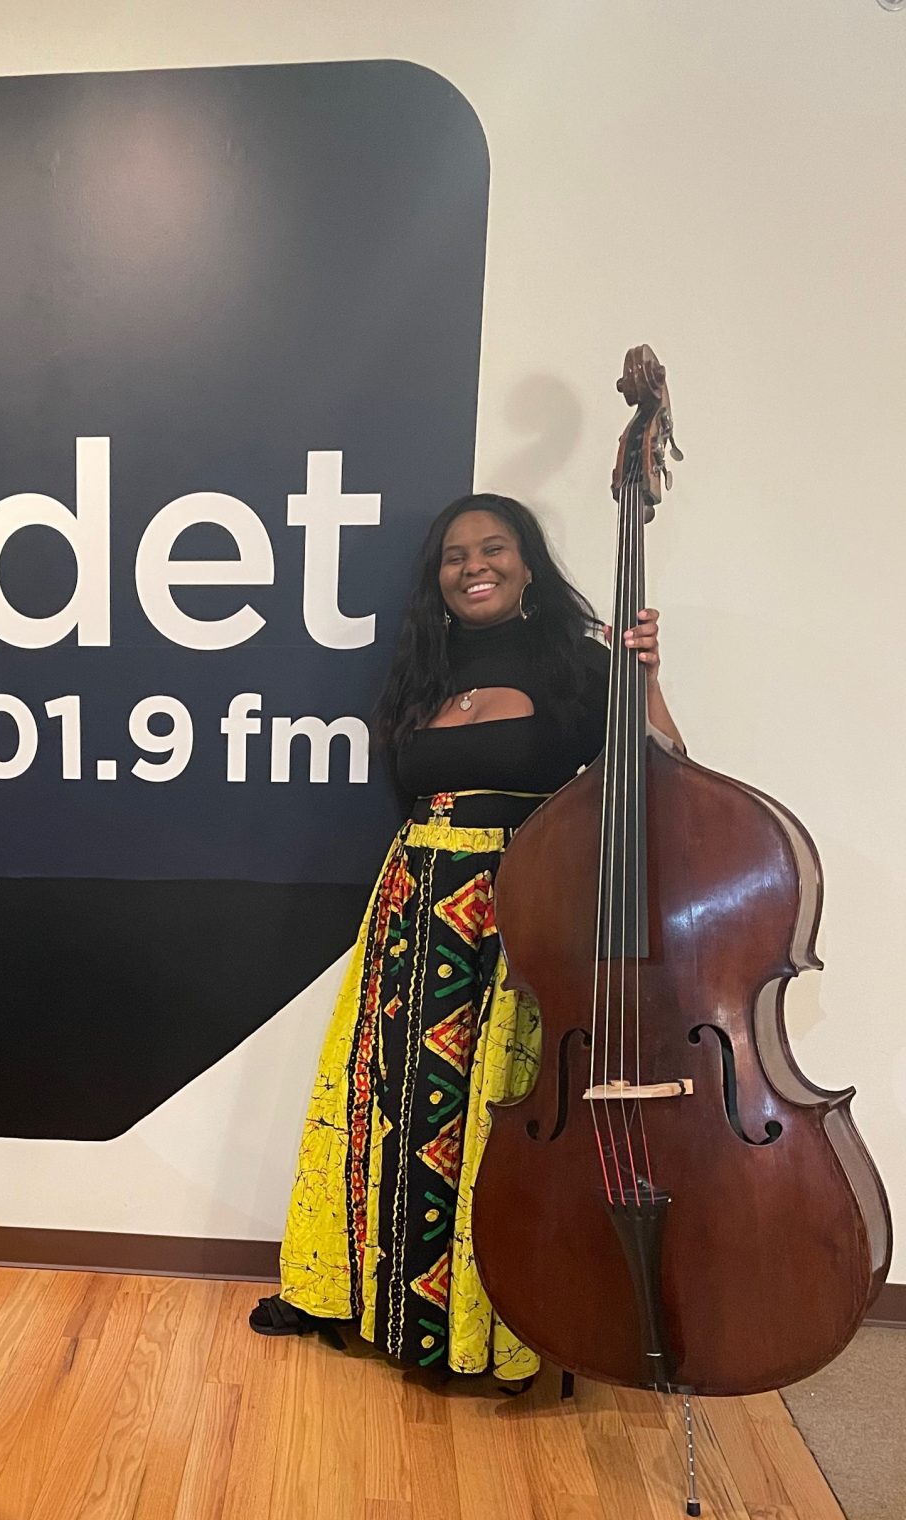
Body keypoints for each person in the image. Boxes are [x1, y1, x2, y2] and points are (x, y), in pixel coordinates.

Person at [251, 494, 683, 1385]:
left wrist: (647, 685)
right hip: (412, 903)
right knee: (391, 1104)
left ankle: (494, 1324)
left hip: (518, 908)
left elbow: (666, 782)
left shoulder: (579, 661)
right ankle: (366, 1303)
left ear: (527, 563)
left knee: (488, 1116)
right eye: (455, 554)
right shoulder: (425, 665)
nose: (473, 565)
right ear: (437, 576)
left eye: (494, 548)